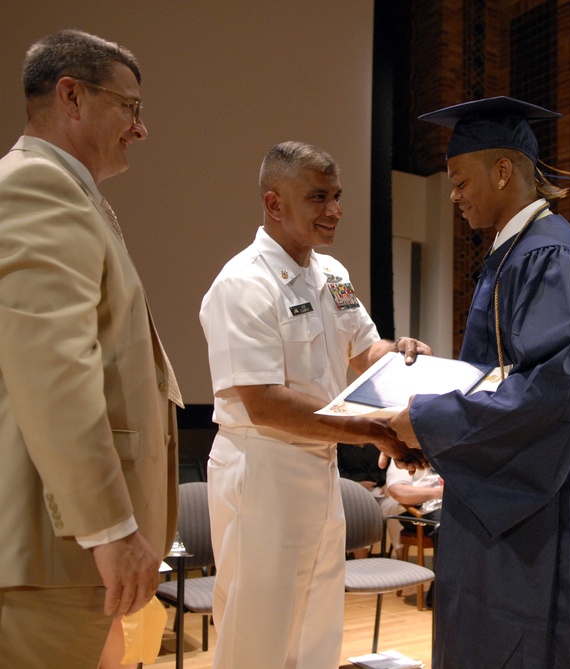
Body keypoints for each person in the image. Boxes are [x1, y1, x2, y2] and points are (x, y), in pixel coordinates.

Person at [389, 97, 570, 668]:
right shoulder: (520, 252)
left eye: (461, 180)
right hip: (510, 505)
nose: (454, 196)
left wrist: (428, 418)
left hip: (536, 520)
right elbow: (506, 374)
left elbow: (552, 389)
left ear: (502, 171)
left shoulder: (549, 256)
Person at [199, 141, 429, 669]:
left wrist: (402, 353)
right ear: (274, 204)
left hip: (319, 467)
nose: (335, 211)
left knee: (317, 625)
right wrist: (372, 429)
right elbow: (264, 404)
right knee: (257, 632)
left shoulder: (333, 275)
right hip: (262, 468)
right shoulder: (244, 283)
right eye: (318, 197)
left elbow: (364, 350)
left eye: (338, 196)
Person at [0, 30, 182, 668]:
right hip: (56, 551)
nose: (141, 129)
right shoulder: (38, 187)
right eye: (130, 107)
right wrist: (108, 528)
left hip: (65, 551)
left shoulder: (69, 193)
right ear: (71, 96)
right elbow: (55, 373)